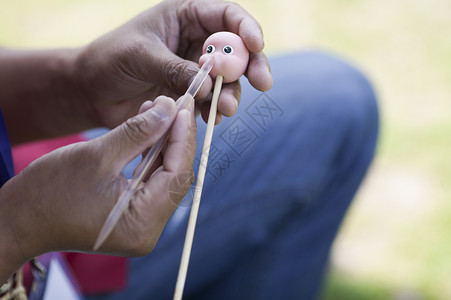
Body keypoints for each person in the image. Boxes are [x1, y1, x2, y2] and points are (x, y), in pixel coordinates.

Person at [1, 0, 379, 299]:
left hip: (38, 161)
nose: (213, 54)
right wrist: (22, 225)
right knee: (336, 105)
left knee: (332, 97)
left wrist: (76, 84)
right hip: (43, 255)